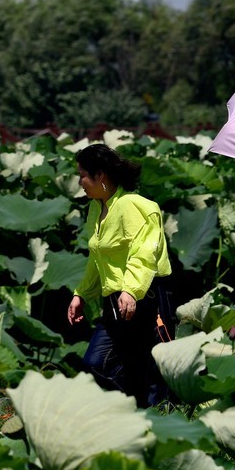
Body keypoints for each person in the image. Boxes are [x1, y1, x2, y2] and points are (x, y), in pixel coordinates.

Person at [67, 143, 172, 406]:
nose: (79, 181)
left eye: (82, 174)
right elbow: (97, 257)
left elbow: (144, 251)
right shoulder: (96, 208)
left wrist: (131, 290)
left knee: (145, 372)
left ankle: (150, 417)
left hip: (144, 297)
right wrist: (81, 293)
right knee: (94, 364)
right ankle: (132, 409)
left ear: (100, 175)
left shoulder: (134, 205)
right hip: (114, 300)